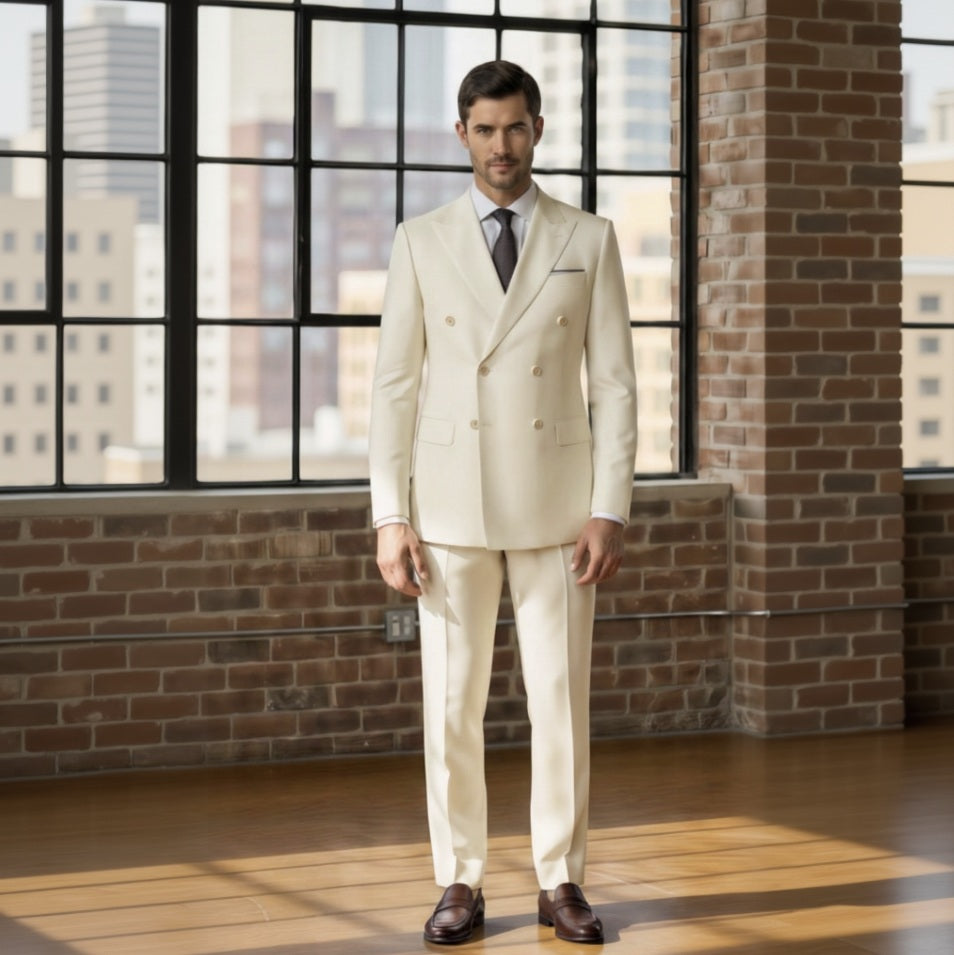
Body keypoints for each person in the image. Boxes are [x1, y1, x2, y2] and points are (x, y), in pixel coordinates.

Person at [369, 60, 637, 946]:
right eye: (485, 130)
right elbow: (394, 391)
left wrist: (611, 507)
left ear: (538, 130)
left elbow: (618, 388)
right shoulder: (421, 239)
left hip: (560, 509)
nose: (501, 147)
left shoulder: (587, 237)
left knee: (558, 698)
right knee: (452, 705)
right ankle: (461, 879)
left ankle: (561, 878)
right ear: (462, 135)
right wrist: (389, 515)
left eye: (515, 128)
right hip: (446, 509)